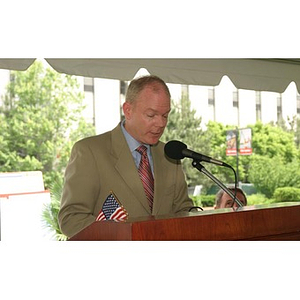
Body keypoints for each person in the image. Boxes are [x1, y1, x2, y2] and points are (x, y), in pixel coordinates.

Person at [58, 75, 194, 237]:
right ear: (128, 110)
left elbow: (184, 211)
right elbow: (71, 219)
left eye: (165, 115)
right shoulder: (89, 151)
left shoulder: (170, 156)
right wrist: (126, 235)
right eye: (151, 115)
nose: (161, 124)